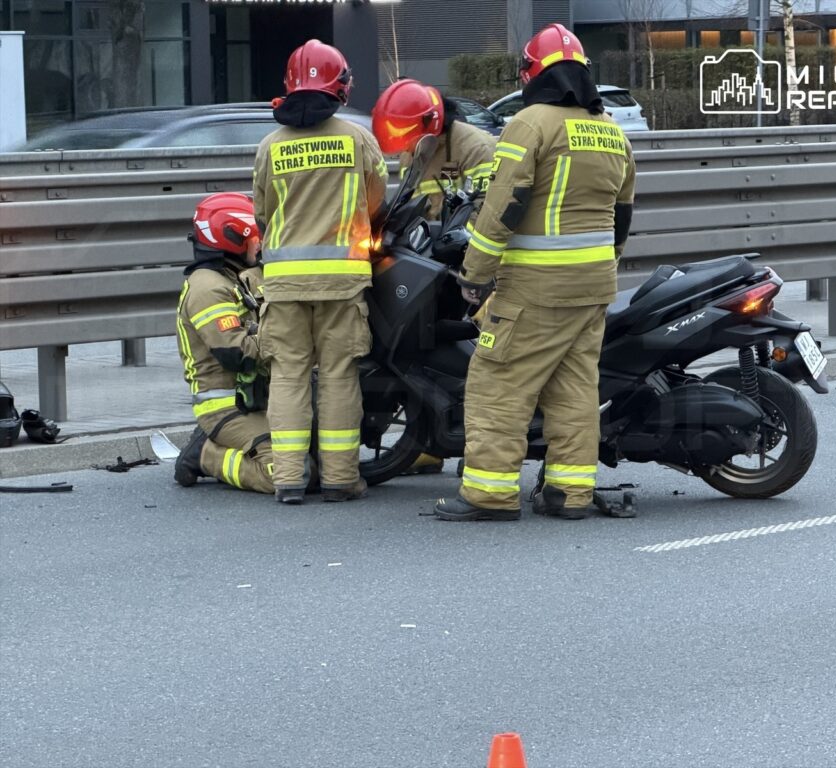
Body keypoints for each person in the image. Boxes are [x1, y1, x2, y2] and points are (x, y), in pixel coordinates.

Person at [433, 23, 636, 522]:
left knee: (497, 382)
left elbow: (504, 205)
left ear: (531, 73)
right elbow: (623, 214)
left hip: (535, 287)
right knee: (573, 390)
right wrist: (603, 265)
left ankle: (489, 494)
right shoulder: (609, 130)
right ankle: (570, 494)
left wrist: (475, 273)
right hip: (593, 286)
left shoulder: (529, 124)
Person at [253, 39, 388, 505]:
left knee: (288, 375)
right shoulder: (356, 139)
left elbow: (263, 213)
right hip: (342, 281)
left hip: (284, 283)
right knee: (337, 376)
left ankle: (288, 478)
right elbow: (376, 201)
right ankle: (339, 479)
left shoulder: (271, 145)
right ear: (342, 87)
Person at [371, 78, 498, 476]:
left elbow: (485, 214)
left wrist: (470, 269)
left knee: (486, 353)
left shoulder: (476, 148)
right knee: (427, 352)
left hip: (480, 265)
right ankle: (430, 443)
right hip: (436, 263)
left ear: (432, 121)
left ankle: (486, 445)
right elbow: (411, 202)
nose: (403, 143)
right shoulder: (416, 149)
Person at [173, 192, 274, 494]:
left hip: (256, 398)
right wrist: (289, 337)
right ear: (231, 238)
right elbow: (237, 354)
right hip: (228, 407)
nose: (259, 243)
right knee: (284, 474)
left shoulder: (238, 277)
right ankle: (206, 455)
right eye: (254, 237)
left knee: (320, 462)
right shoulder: (208, 288)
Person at [371, 78, 496, 220]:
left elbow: (484, 216)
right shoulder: (411, 153)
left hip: (462, 239)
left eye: (406, 134)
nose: (405, 148)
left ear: (428, 124)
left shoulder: (476, 150)